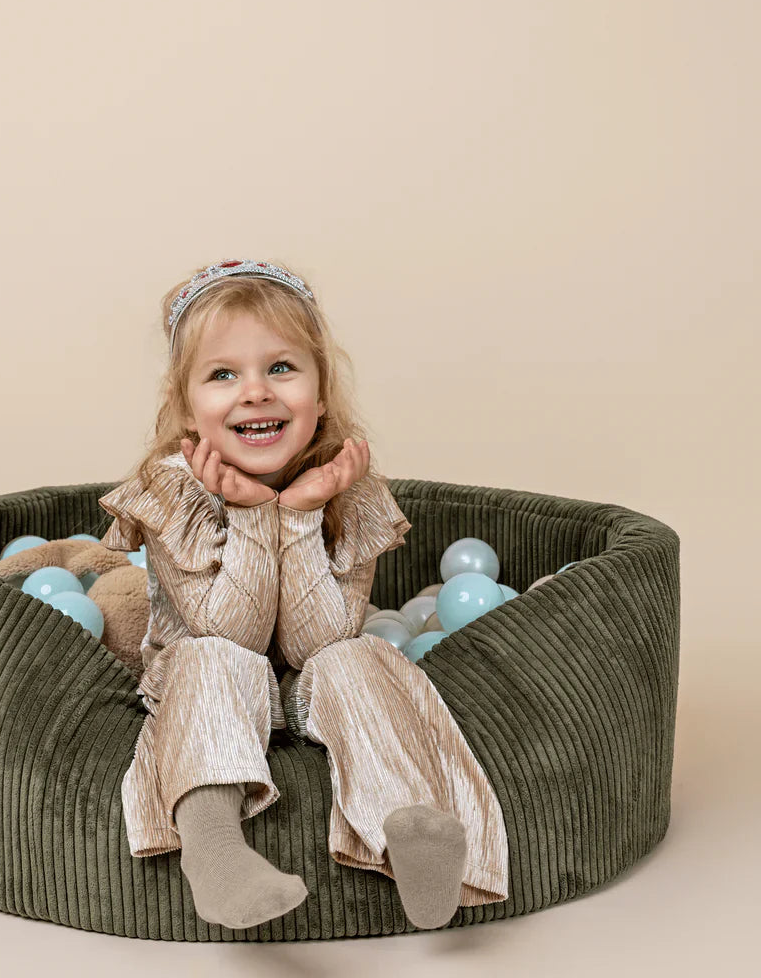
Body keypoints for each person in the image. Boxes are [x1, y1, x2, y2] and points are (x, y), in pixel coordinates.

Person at [97, 259, 509, 931]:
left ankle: (412, 827)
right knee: (209, 658)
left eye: (282, 368)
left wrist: (300, 513)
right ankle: (215, 849)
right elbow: (230, 632)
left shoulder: (346, 483)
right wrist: (252, 514)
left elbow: (318, 642)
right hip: (211, 680)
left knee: (362, 657)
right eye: (222, 374)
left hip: (306, 685)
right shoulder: (174, 488)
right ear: (187, 409)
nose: (255, 392)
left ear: (321, 396)